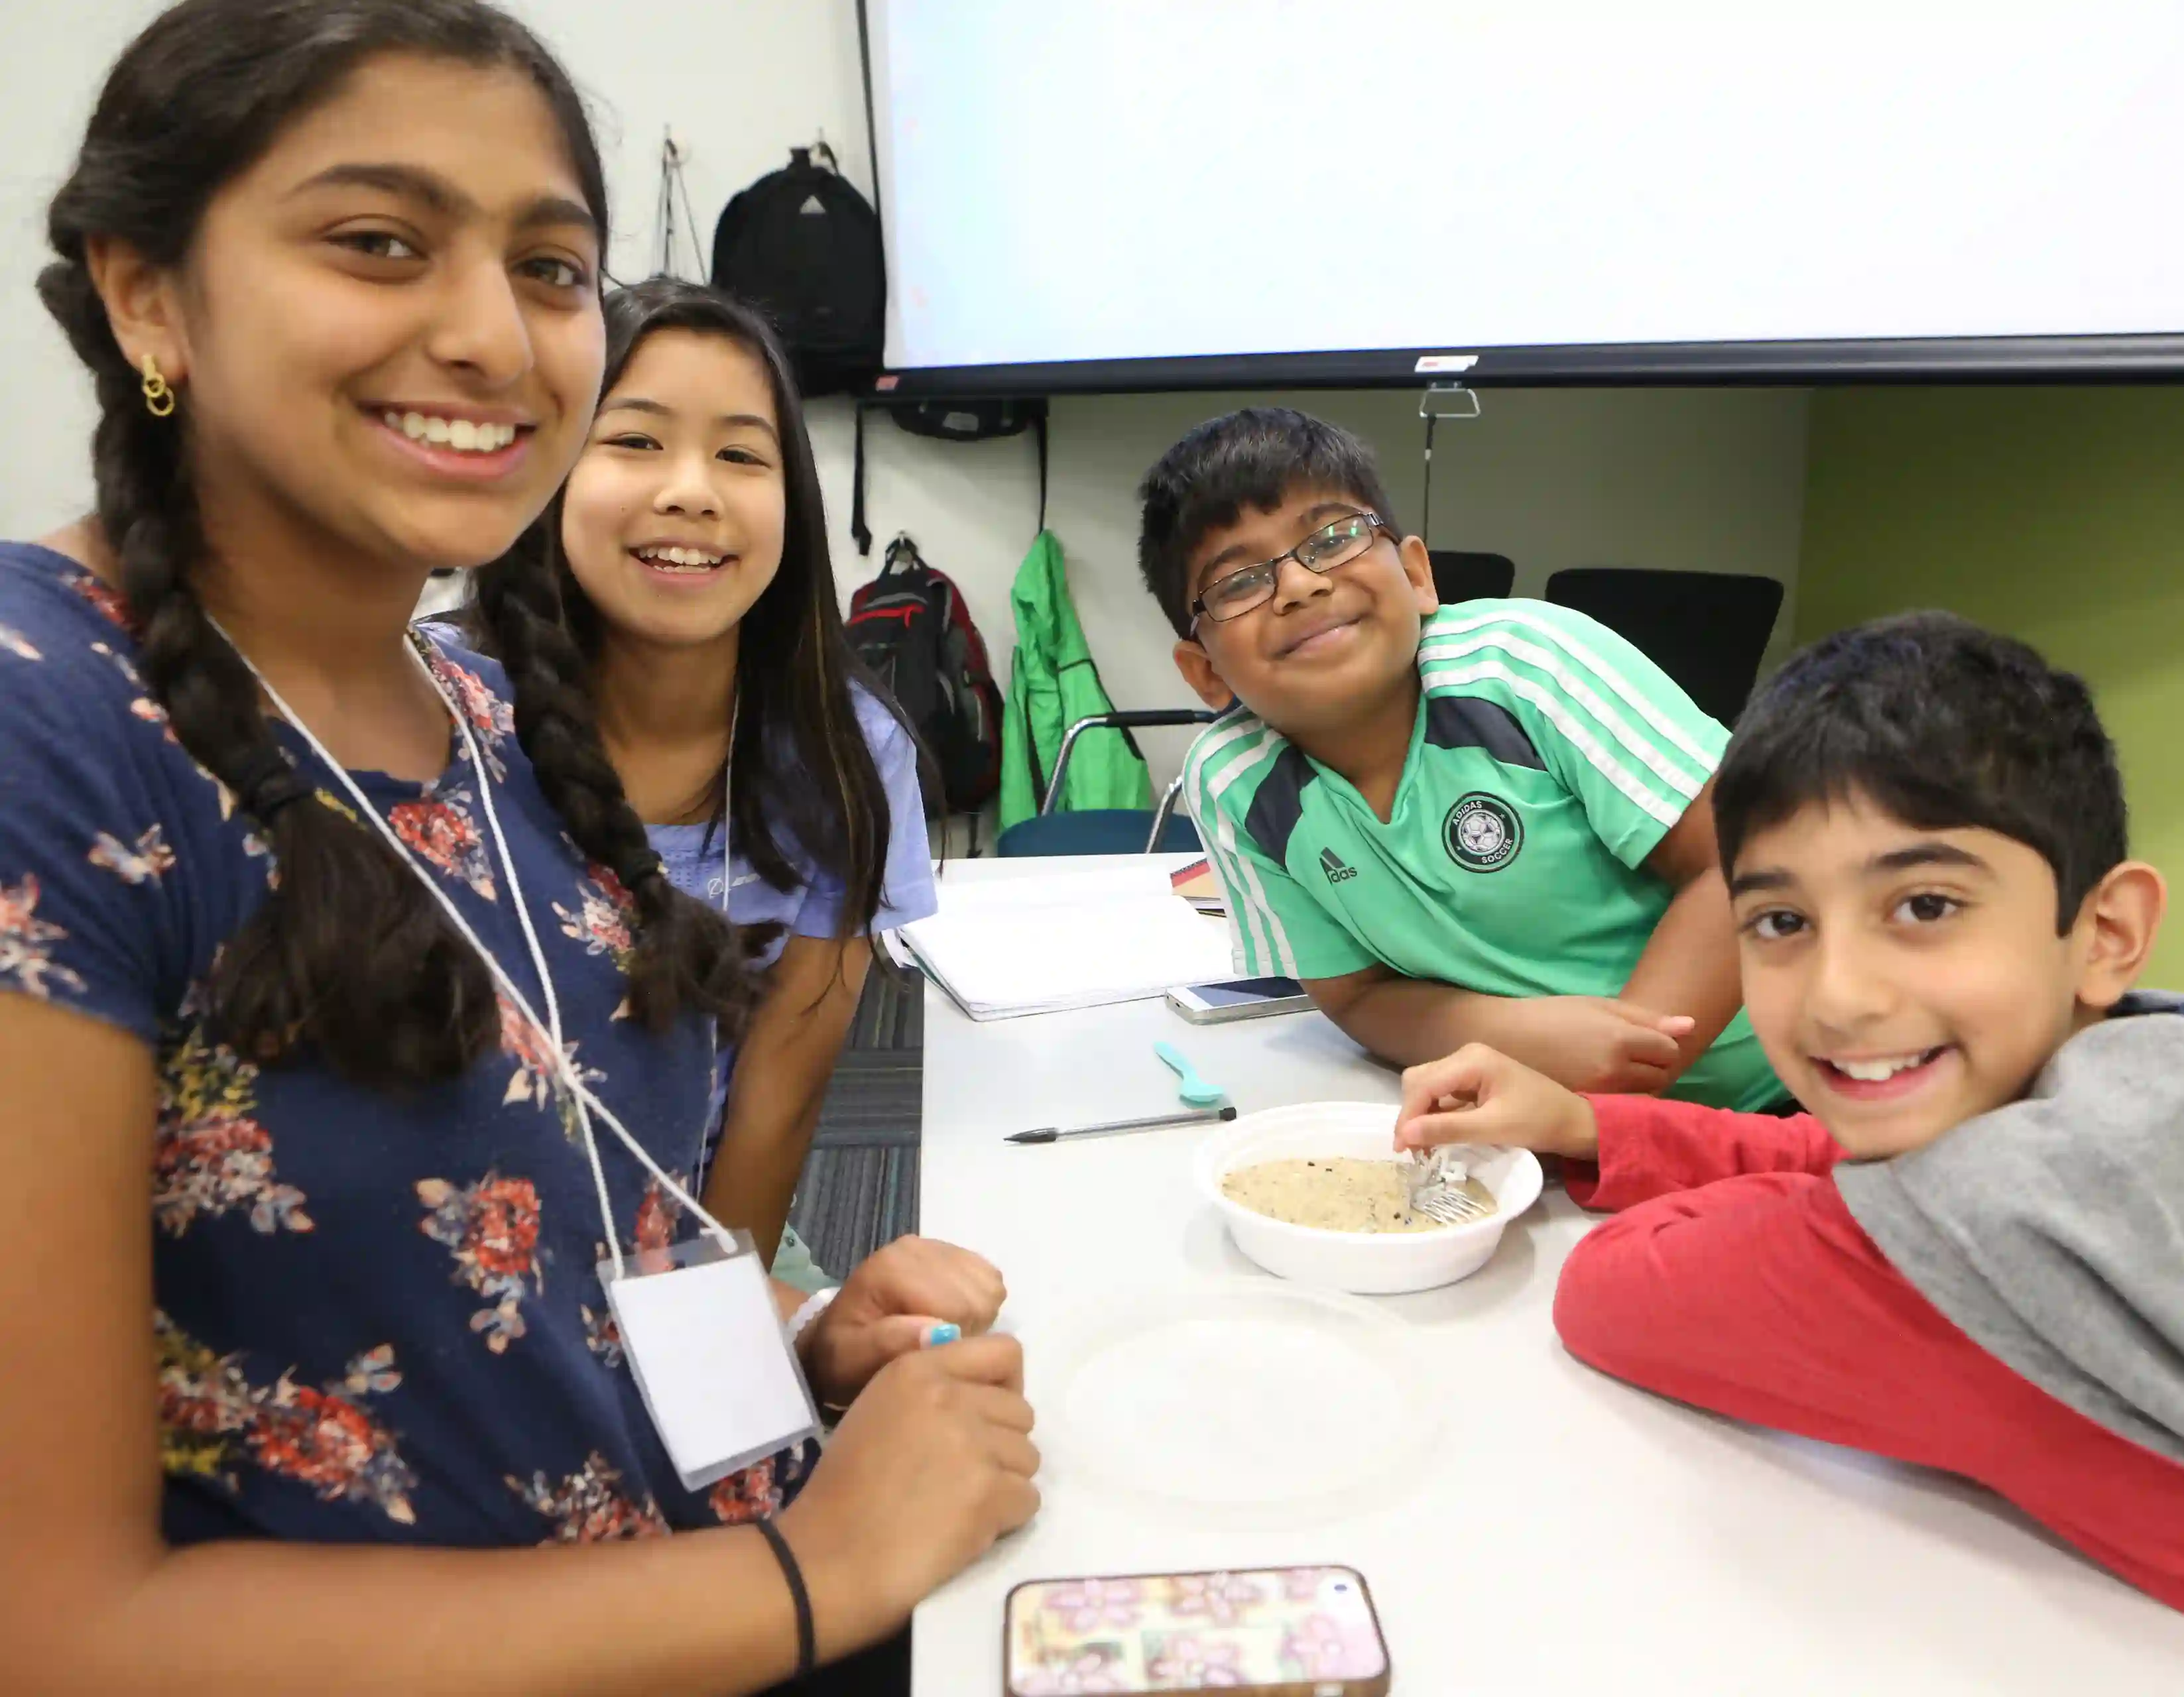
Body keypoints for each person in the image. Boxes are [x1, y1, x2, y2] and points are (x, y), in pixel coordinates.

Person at [0, 4, 1034, 1692]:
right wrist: (811, 1572)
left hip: (716, 1553)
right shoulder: (49, 715)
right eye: (378, 242)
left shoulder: (479, 713)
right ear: (145, 292)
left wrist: (798, 1350)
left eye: (551, 268)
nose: (493, 335)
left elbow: (569, 1247)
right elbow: (51, 1627)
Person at [1396, 613, 2184, 1694]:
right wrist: (1592, 1124)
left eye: (1924, 905)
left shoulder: (1913, 1267)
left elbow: (1614, 1292)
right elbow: (1889, 1185)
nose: (1840, 995)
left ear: (2105, 931)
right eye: (1780, 922)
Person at [471, 278, 934, 1289]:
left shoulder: (849, 755)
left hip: (697, 1237)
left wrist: (709, 1335)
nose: (693, 490)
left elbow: (780, 1103)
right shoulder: (436, 710)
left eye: (740, 453)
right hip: (467, 1252)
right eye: (635, 441)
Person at [1140, 406, 1784, 1109]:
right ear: (1203, 671)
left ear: (1417, 574)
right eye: (1237, 583)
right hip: (1543, 1132)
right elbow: (1354, 995)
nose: (1299, 586)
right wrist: (1518, 1040)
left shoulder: (1526, 666)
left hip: (1790, 1095)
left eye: (1331, 539)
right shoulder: (1233, 784)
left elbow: (1745, 859)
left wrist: (1615, 1088)